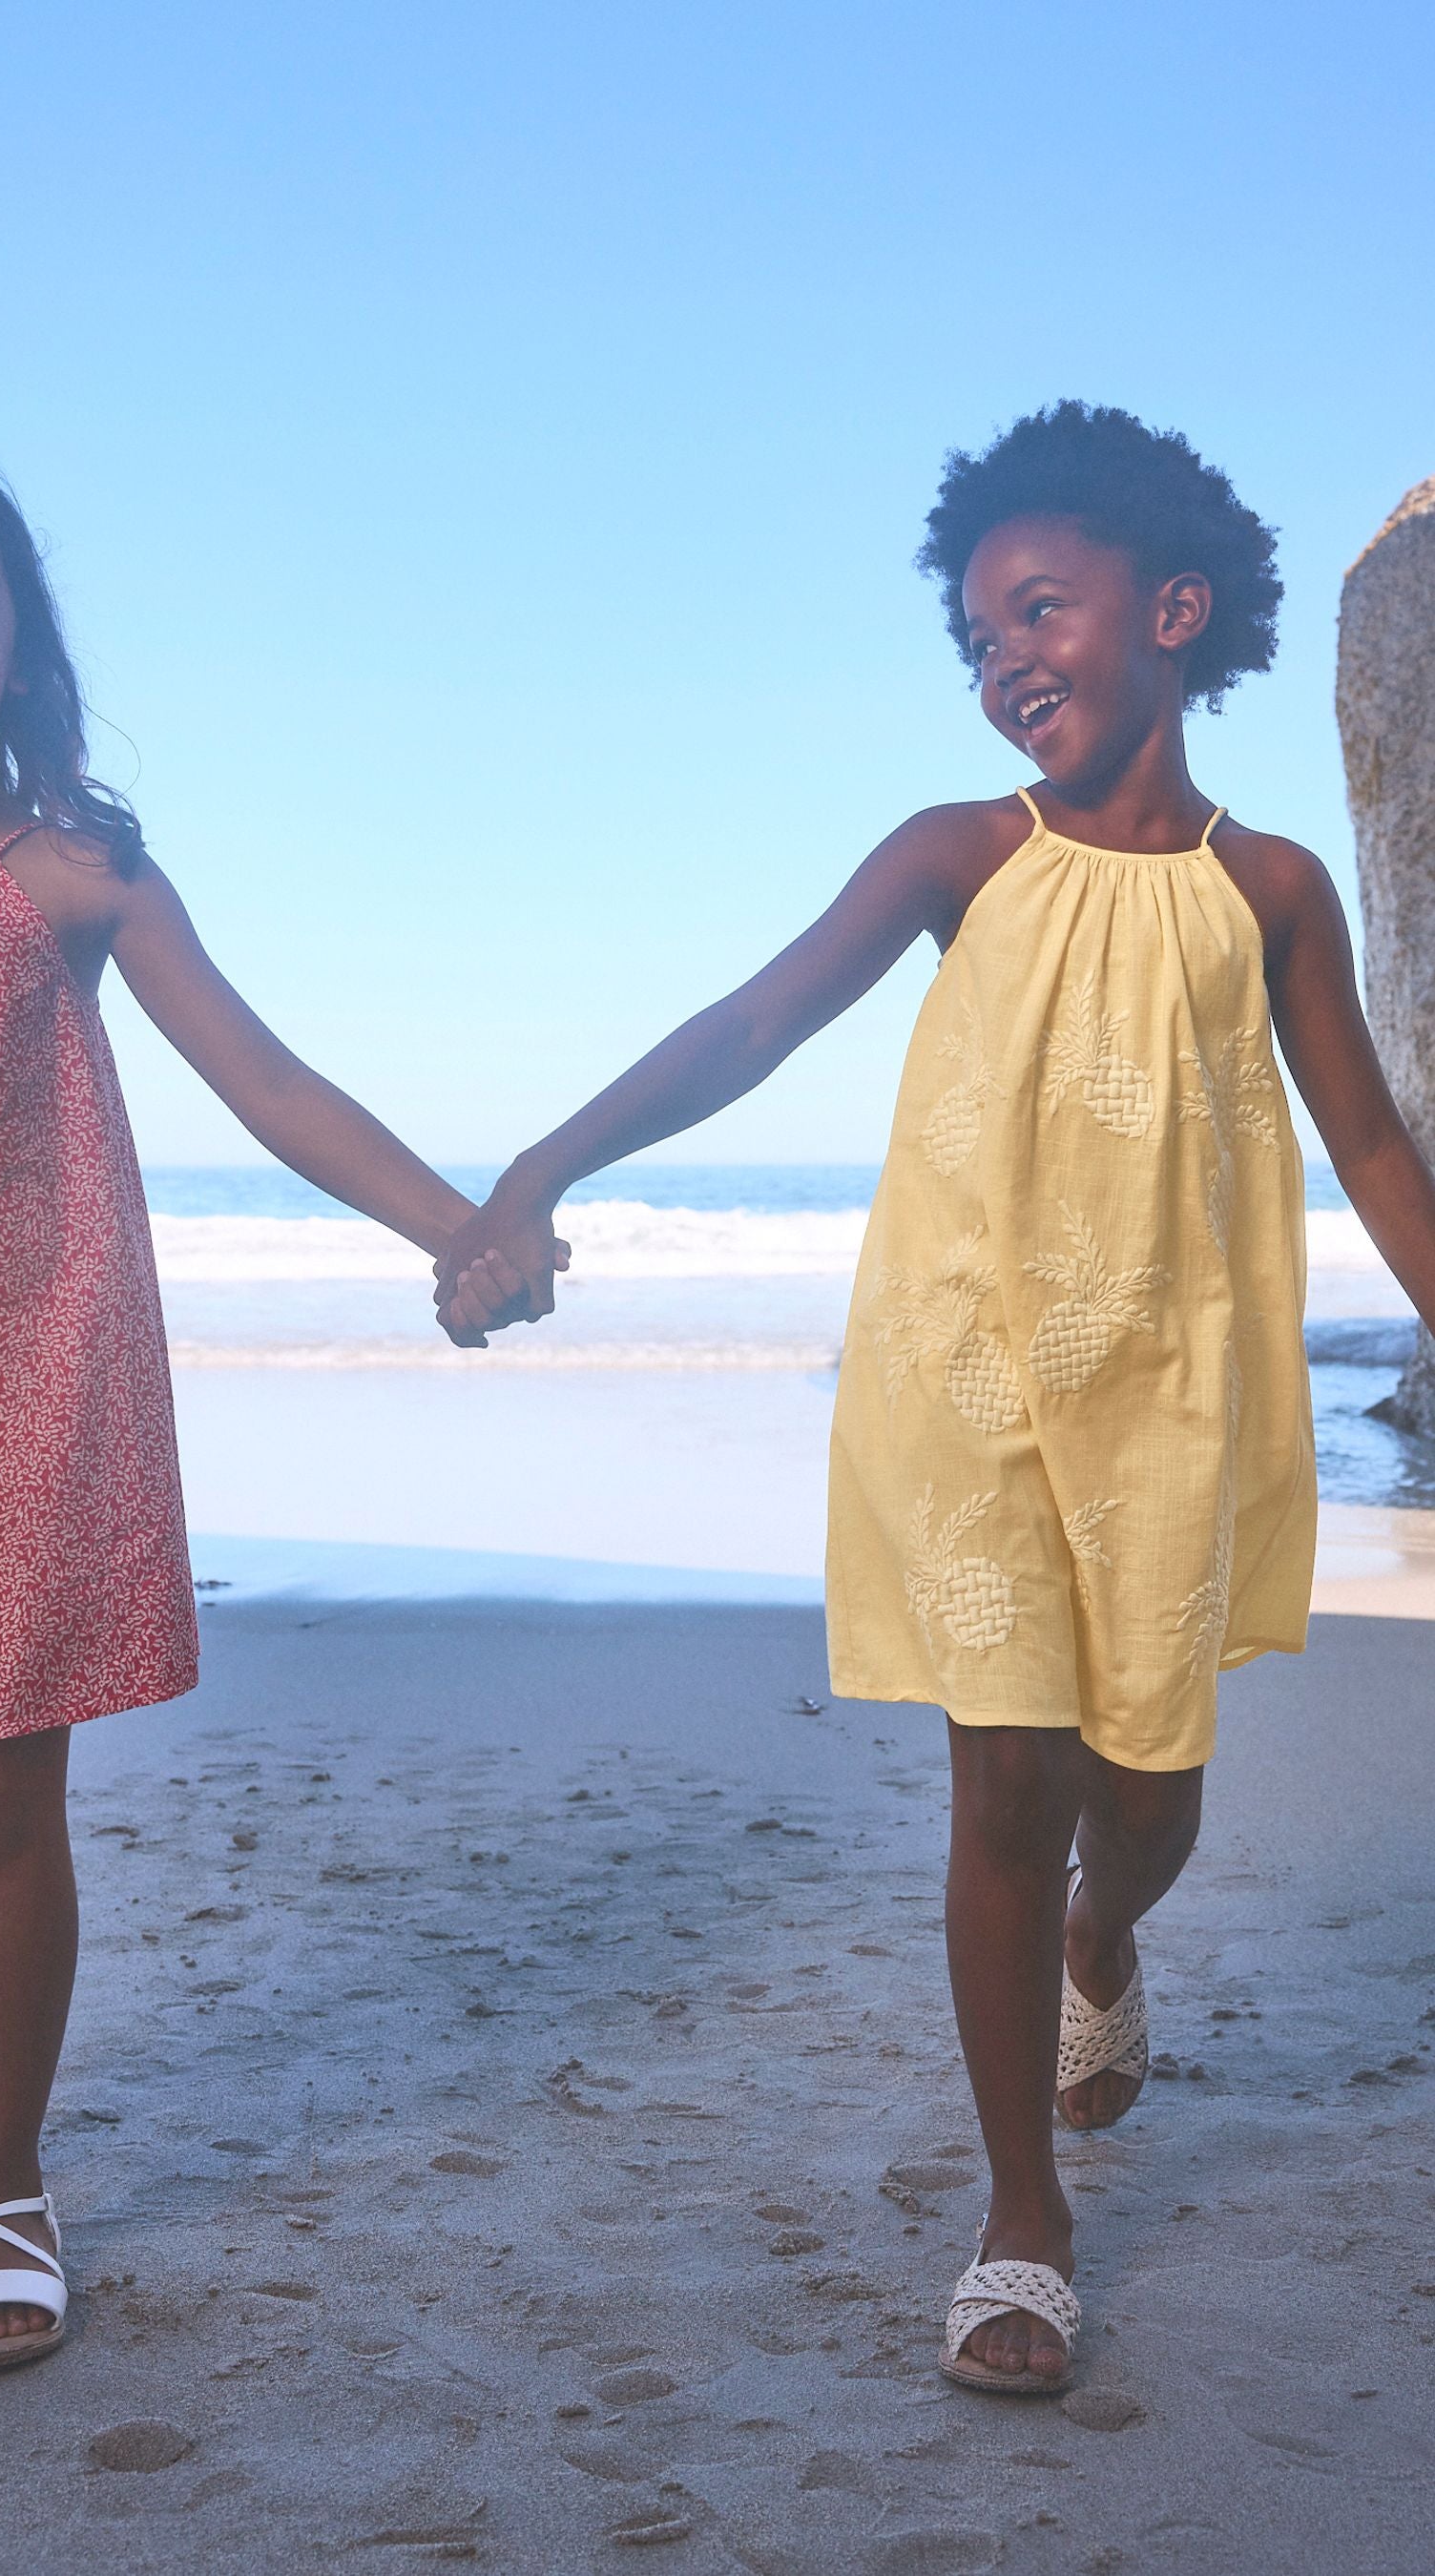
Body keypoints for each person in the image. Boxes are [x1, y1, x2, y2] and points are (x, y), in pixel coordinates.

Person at [435, 402, 1435, 2392]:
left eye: (1040, 611)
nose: (1005, 663)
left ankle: (1103, 1942)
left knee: (1146, 1789)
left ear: (1170, 611)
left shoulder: (1278, 892)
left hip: (1170, 1401)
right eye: (976, 637)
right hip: (966, 1380)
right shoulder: (955, 857)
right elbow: (751, 1021)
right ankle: (1022, 2219)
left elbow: (1378, 1152)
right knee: (1006, 1777)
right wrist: (541, 1169)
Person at [0, 460, 522, 2374]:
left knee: (7, 1789)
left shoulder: (76, 872)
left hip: (36, 1362)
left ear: (19, 644)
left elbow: (269, 1082)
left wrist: (460, 1224)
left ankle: (1, 2186)